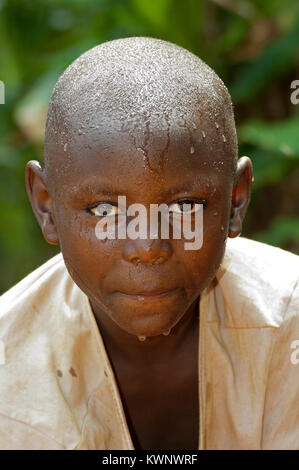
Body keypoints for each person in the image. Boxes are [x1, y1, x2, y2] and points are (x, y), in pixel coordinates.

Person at [0, 37, 298, 450]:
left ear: (235, 201)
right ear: (47, 207)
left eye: (186, 206)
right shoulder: (7, 364)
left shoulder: (289, 325)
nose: (148, 246)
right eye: (104, 210)